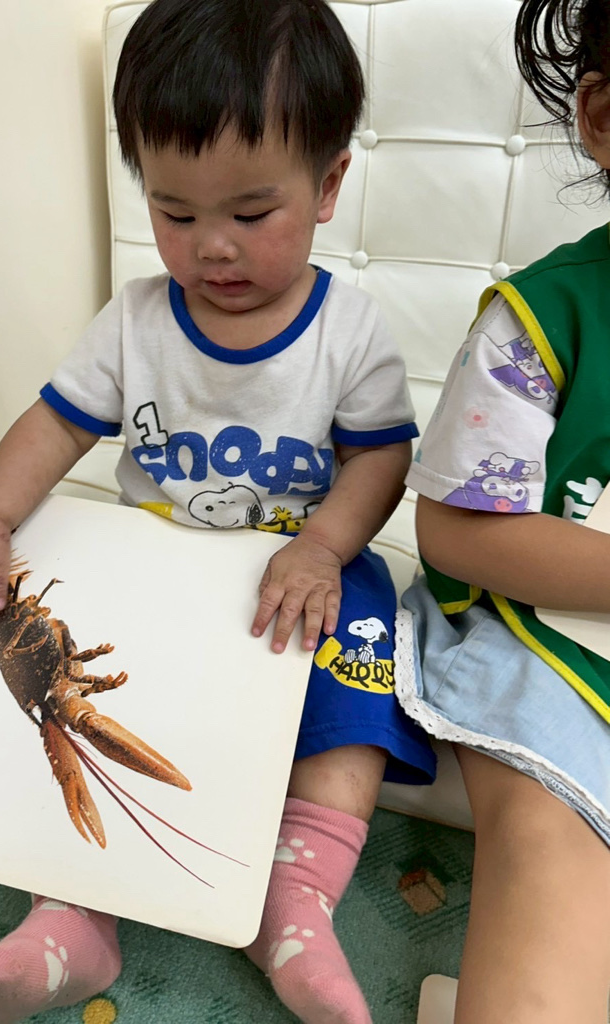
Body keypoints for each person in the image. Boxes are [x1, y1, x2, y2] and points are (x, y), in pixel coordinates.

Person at [0, 2, 436, 1021]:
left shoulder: (349, 331)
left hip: (298, 569)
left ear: (327, 187)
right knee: (70, 692)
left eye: (250, 213)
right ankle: (73, 912)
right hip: (157, 561)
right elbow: (54, 426)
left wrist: (325, 545)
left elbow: (380, 459)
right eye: (176, 214)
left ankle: (294, 902)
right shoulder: (136, 320)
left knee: (359, 669)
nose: (211, 248)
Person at [398, 1, 610, 1021]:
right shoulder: (542, 318)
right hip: (536, 640)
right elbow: (454, 528)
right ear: (604, 121)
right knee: (549, 837)